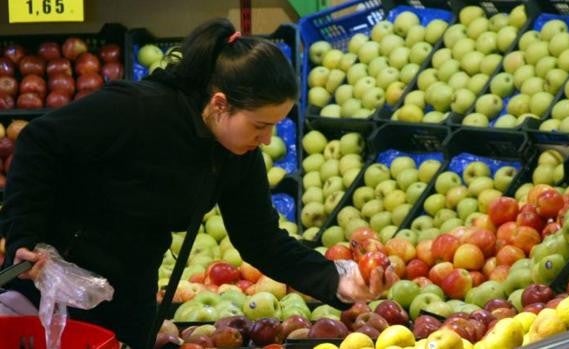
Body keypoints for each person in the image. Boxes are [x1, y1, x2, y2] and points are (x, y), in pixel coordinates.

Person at [0, 18, 397, 348]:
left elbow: (261, 239)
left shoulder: (236, 156)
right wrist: (25, 237)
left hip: (129, 297)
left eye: (275, 126)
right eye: (260, 125)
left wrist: (341, 281)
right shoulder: (136, 109)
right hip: (47, 286)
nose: (268, 140)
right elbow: (40, 141)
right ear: (220, 103)